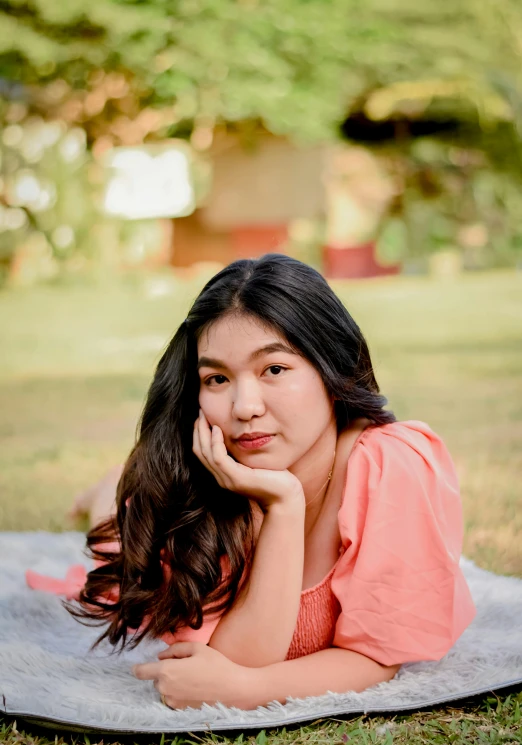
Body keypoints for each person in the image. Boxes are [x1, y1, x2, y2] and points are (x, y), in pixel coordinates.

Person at [26, 253, 476, 711]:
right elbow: (230, 658)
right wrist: (283, 507)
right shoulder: (196, 485)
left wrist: (247, 691)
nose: (244, 407)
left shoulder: (388, 463)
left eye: (274, 370)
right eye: (217, 378)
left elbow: (377, 655)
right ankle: (110, 486)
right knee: (115, 545)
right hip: (156, 510)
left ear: (330, 367)